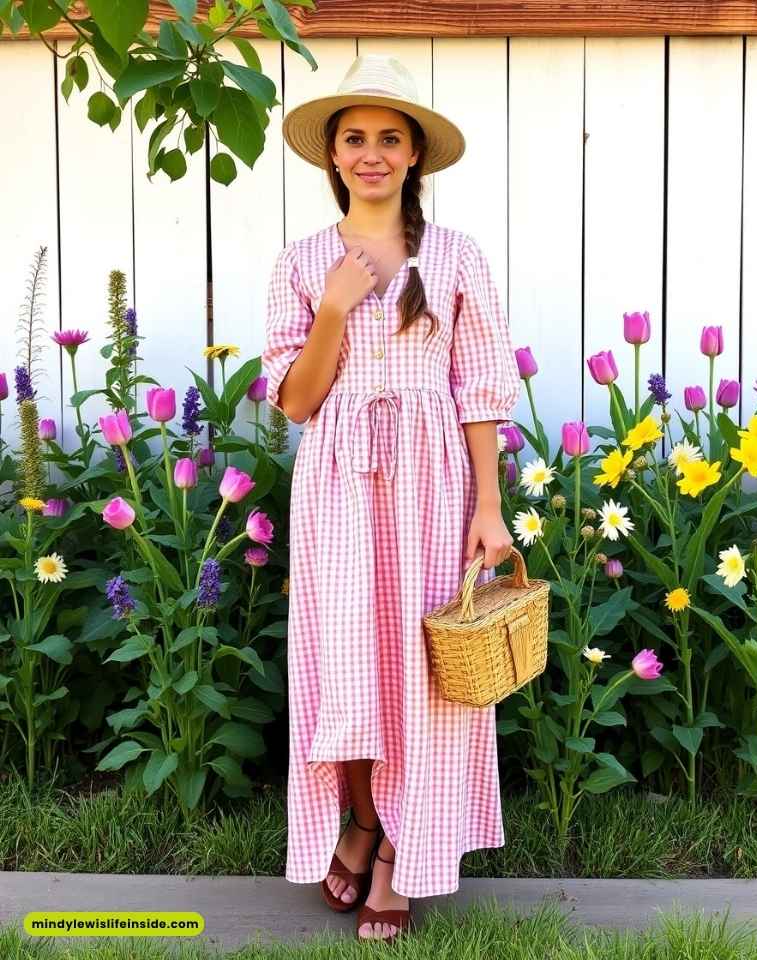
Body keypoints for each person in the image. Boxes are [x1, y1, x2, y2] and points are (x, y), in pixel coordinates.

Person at [262, 53, 522, 943]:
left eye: (389, 138)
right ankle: (366, 821)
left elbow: (481, 387)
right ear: (332, 157)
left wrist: (489, 507)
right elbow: (296, 404)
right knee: (352, 666)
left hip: (433, 478)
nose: (371, 153)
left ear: (414, 156)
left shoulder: (453, 257)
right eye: (354, 139)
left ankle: (402, 853)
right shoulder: (301, 263)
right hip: (338, 481)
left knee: (424, 672)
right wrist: (335, 305)